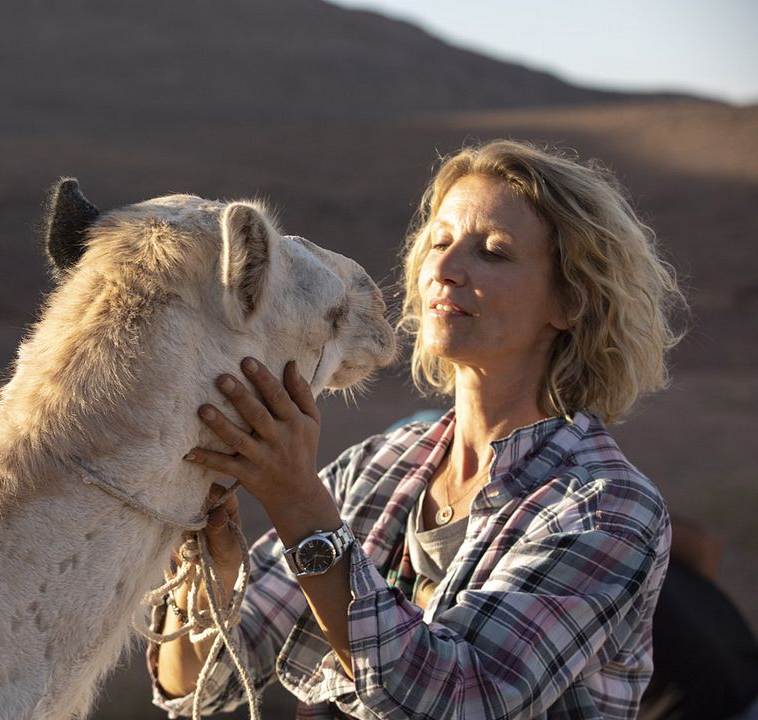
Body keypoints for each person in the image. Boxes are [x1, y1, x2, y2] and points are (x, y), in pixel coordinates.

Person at [152, 139, 686, 719]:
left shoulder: (606, 508)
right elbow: (201, 687)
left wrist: (297, 501)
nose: (446, 270)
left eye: (494, 252)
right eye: (440, 242)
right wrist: (211, 572)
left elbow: (457, 699)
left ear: (570, 302)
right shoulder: (379, 467)